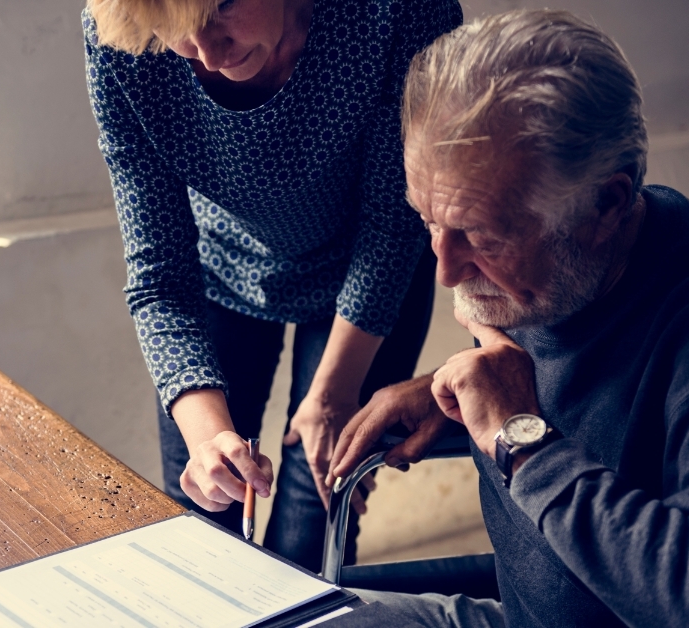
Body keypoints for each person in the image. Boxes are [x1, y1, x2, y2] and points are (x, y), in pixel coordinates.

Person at [327, 9, 689, 626]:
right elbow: (587, 391)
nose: (445, 271)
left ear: (607, 203)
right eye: (428, 221)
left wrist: (518, 437)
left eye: (481, 235)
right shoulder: (547, 276)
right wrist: (445, 394)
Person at [82, 0, 462, 570]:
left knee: (310, 536)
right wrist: (208, 437)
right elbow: (159, 272)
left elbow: (392, 220)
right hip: (221, 272)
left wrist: (333, 394)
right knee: (204, 523)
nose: (207, 54)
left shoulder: (397, 10)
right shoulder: (125, 40)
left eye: (221, 7)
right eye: (178, 32)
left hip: (371, 277)